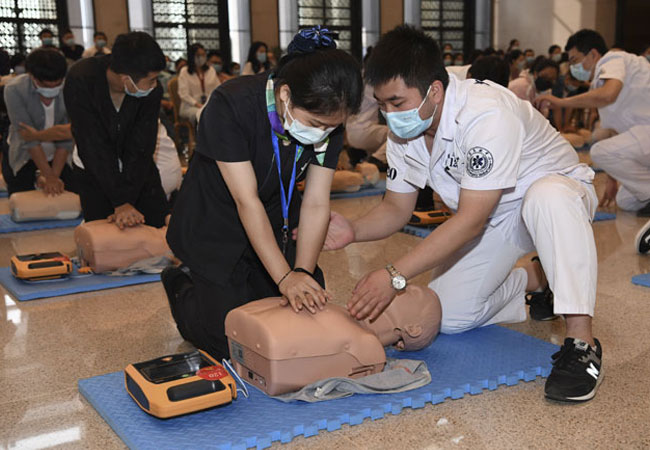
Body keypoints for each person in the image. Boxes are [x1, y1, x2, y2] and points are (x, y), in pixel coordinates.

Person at [321, 25, 602, 403]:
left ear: (434, 90)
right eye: (382, 104)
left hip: (557, 196)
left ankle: (581, 341)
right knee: (449, 316)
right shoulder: (405, 133)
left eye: (397, 102)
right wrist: (352, 229)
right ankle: (540, 279)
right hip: (494, 216)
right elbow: (395, 208)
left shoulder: (485, 114)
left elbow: (469, 221)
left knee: (546, 196)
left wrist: (395, 275)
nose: (389, 115)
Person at [162, 27, 363, 361]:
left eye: (332, 128)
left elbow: (315, 202)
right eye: (314, 123)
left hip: (275, 217)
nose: (323, 134)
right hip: (215, 222)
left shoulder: (329, 118)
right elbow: (246, 200)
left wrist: (301, 271)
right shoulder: (232, 104)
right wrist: (283, 277)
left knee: (305, 320)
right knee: (231, 344)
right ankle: (182, 288)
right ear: (285, 95)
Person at [535, 29, 650, 215]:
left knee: (599, 152)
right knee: (626, 201)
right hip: (642, 140)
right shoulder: (601, 81)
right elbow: (616, 131)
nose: (573, 67)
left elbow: (608, 95)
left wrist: (562, 102)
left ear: (593, 54)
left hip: (646, 135)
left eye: (575, 60)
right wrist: (613, 178)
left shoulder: (612, 59)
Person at [63, 32, 169, 229]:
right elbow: (91, 142)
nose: (155, 85)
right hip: (94, 167)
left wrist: (126, 201)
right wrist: (119, 202)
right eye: (152, 79)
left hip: (138, 169)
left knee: (159, 229)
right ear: (125, 79)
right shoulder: (81, 79)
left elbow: (142, 143)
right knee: (103, 239)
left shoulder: (151, 90)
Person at [2, 49, 75, 195]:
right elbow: (27, 138)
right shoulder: (14, 89)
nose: (53, 89)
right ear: (32, 77)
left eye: (57, 84)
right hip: (23, 153)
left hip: (60, 155)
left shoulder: (70, 88)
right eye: (47, 86)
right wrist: (47, 175)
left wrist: (53, 176)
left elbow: (66, 138)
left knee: (70, 197)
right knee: (22, 202)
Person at [177, 43, 220, 126]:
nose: (201, 57)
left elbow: (217, 89)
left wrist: (210, 104)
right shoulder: (184, 71)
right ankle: (203, 137)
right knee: (202, 114)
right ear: (192, 56)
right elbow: (183, 94)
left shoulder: (210, 70)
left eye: (203, 55)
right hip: (190, 107)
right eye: (198, 55)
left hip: (208, 105)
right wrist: (198, 104)